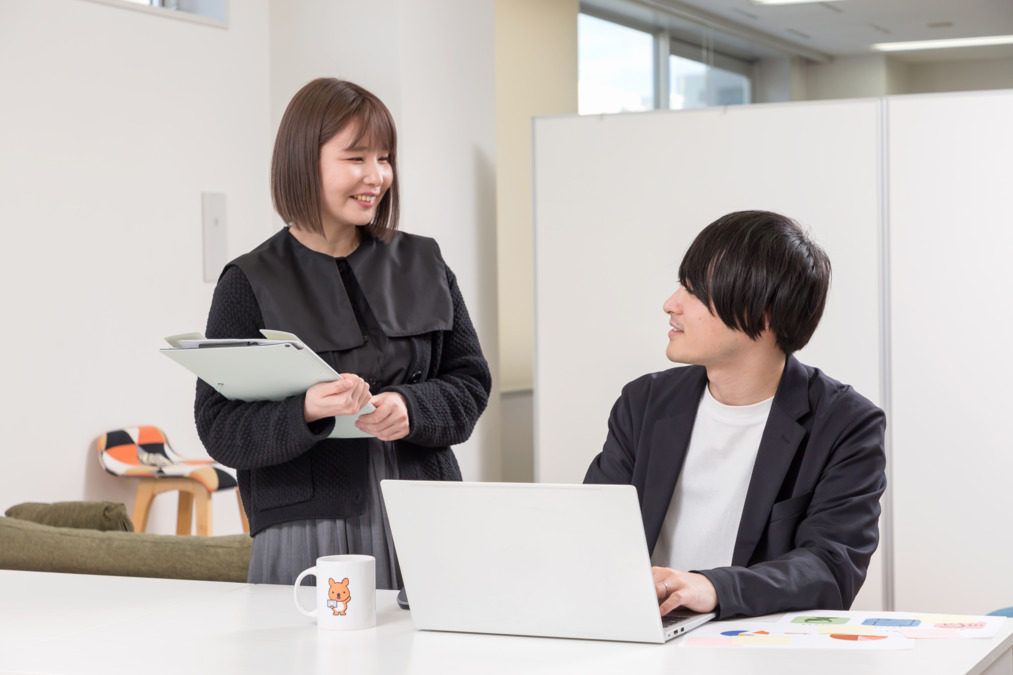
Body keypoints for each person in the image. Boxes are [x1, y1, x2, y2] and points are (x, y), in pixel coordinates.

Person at [195, 78, 491, 588]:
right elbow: (220, 427)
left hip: (426, 515)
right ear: (304, 161)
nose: (377, 176)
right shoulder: (249, 281)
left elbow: (470, 382)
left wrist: (411, 407)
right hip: (303, 530)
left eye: (385, 158)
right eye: (356, 158)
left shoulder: (424, 261)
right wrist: (307, 409)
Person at [584, 210, 886, 619]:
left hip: (751, 639)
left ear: (761, 314)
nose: (671, 304)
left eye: (693, 290)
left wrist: (713, 587)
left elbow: (831, 570)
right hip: (642, 631)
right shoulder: (644, 402)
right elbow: (591, 532)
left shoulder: (846, 423)